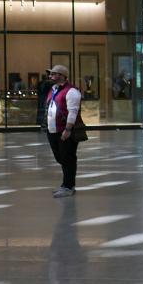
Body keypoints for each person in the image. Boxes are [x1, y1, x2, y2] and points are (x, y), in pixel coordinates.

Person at [44, 64, 85, 197]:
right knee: (61, 158)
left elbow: (73, 112)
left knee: (68, 158)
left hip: (65, 131)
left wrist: (67, 129)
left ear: (61, 76)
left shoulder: (71, 92)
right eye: (50, 74)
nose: (50, 76)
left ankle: (68, 186)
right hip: (53, 130)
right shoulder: (53, 89)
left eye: (53, 74)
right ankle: (66, 184)